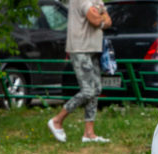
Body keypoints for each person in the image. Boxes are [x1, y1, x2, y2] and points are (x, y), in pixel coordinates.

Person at [47, 0, 111, 143]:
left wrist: (101, 18)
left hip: (93, 48)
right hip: (80, 48)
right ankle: (57, 120)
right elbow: (95, 20)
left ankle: (89, 133)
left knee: (96, 89)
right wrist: (101, 18)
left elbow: (108, 20)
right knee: (88, 90)